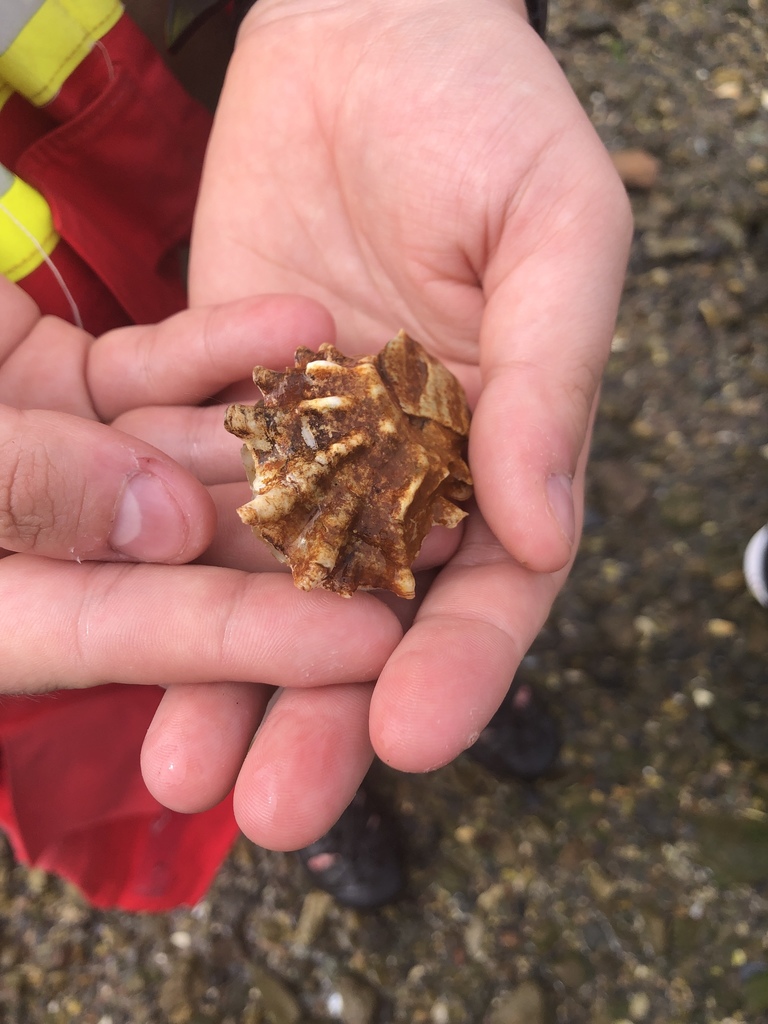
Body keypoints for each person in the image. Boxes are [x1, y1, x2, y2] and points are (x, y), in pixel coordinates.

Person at [0, 0, 632, 909]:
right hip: (63, 343)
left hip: (218, 94)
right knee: (143, 646)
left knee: (448, 605)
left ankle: (451, 690)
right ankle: (326, 784)